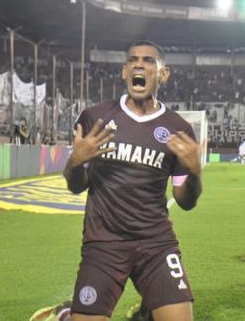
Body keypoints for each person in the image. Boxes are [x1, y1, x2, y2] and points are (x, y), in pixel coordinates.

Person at [63, 40, 203, 321]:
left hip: (156, 243)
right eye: (133, 60)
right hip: (104, 242)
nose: (139, 64)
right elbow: (75, 185)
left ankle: (146, 314)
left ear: (164, 74)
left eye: (149, 61)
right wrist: (75, 162)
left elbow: (185, 201)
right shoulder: (96, 118)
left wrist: (195, 173)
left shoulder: (178, 128)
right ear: (125, 71)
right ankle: (67, 315)